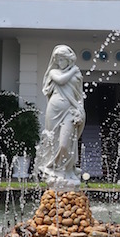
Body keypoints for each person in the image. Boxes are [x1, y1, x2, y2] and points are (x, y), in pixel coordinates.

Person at [36, 45, 86, 186]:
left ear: (68, 59)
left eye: (62, 59)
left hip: (70, 111)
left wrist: (80, 110)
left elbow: (79, 95)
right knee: (54, 142)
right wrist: (73, 70)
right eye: (57, 59)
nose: (59, 62)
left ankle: (68, 169)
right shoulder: (54, 72)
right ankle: (55, 170)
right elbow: (61, 81)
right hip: (54, 110)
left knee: (66, 143)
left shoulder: (77, 74)